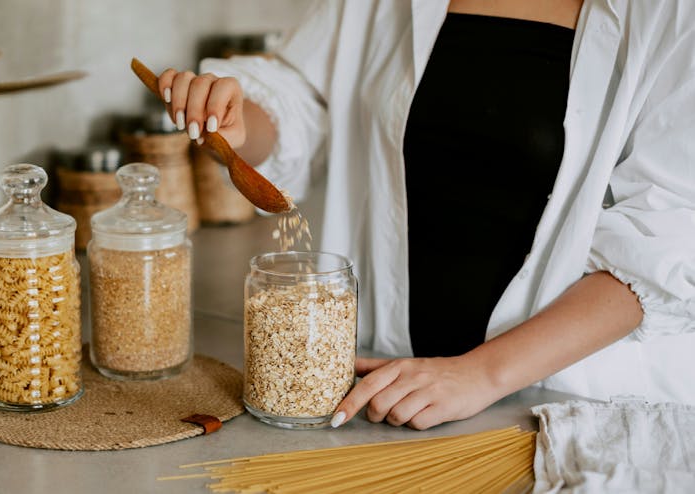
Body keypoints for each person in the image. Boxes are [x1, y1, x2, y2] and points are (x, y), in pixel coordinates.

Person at [160, 0, 695, 430]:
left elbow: (669, 232)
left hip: (574, 401)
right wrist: (237, 122)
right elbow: (305, 100)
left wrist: (482, 374)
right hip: (387, 388)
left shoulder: (672, 17)